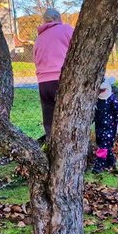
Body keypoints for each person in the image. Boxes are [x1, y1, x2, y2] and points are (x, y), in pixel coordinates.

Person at [33, 8, 74, 141]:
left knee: (48, 113)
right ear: (58, 18)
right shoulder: (66, 29)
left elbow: (35, 59)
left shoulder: (39, 38)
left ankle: (51, 140)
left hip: (43, 82)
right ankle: (67, 140)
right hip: (60, 78)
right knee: (66, 112)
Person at [93, 77, 118, 173]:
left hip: (110, 128)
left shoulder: (112, 99)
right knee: (104, 145)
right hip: (99, 127)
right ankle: (111, 161)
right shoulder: (96, 100)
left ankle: (99, 165)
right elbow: (94, 114)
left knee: (103, 146)